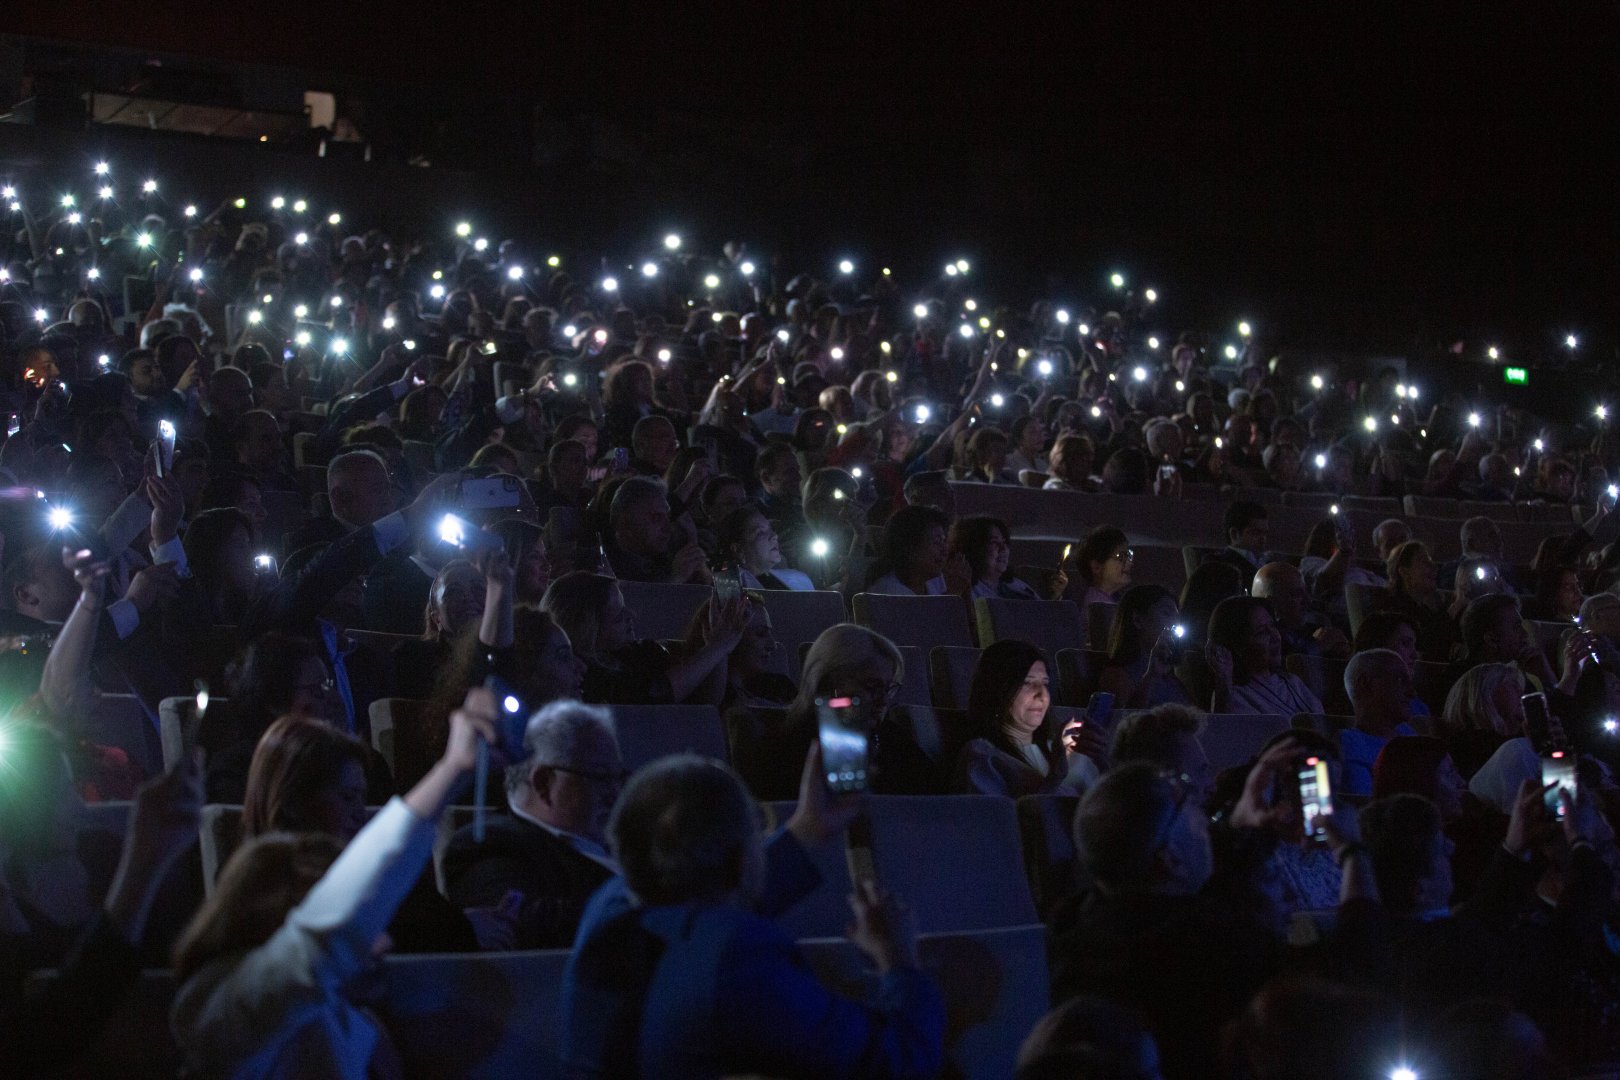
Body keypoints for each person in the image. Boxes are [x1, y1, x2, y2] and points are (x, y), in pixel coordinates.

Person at [170, 689, 504, 1079]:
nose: (381, 941)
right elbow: (325, 945)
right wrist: (451, 770)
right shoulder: (222, 1006)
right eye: (346, 797)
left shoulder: (353, 1025)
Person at [562, 754, 945, 1078]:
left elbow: (702, 899)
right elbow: (899, 1062)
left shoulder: (610, 906)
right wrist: (899, 961)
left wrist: (807, 827)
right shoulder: (740, 962)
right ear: (742, 862)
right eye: (756, 838)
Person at [1048, 746, 1377, 1079]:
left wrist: (1243, 824)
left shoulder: (1075, 922)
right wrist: (1352, 852)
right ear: (1170, 858)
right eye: (1190, 809)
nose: (1205, 820)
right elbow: (1354, 971)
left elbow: (1204, 874)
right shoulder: (1211, 945)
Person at [239, 714, 491, 952]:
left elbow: (432, 918)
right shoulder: (259, 890)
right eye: (346, 798)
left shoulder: (372, 869)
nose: (360, 814)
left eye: (361, 798)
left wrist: (469, 924)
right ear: (295, 802)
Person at [441, 700, 625, 949]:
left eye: (620, 778)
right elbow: (529, 924)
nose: (616, 794)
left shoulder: (632, 838)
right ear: (543, 783)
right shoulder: (491, 844)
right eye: (602, 777)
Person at [727, 622, 902, 800]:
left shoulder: (894, 737)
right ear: (829, 682)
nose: (884, 700)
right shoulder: (787, 748)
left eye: (888, 689)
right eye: (872, 686)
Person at [540, 571, 745, 707]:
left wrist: (718, 645)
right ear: (588, 627)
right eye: (619, 615)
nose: (631, 616)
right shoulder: (580, 677)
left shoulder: (639, 653)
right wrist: (718, 646)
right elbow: (657, 694)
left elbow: (706, 701)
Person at [954, 640, 1087, 797]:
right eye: (1027, 683)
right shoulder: (983, 756)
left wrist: (1102, 762)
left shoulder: (1057, 749)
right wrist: (1056, 775)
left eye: (1045, 683)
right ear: (998, 691)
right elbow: (998, 818)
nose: (1041, 695)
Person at [1206, 596, 1324, 714]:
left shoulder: (1292, 682)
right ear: (1238, 646)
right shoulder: (1233, 695)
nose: (1275, 637)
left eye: (1272, 626)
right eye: (1261, 632)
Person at [1336, 648, 1419, 795]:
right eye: (1400, 680)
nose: (1412, 692)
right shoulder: (1350, 743)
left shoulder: (1410, 734)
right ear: (1366, 684)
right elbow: (1367, 803)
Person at [1097, 584, 1194, 708]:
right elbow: (1125, 723)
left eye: (1177, 616)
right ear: (1137, 620)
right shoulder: (1116, 676)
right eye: (1167, 613)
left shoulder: (1171, 677)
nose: (1176, 622)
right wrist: (1151, 676)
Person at [1379, 539, 1461, 663]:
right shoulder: (1393, 611)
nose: (1434, 567)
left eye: (1431, 561)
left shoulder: (1428, 610)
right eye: (1424, 562)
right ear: (1404, 572)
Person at [1251, 561, 1351, 661]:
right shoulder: (1259, 641)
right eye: (1297, 594)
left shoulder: (1311, 630)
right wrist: (1317, 647)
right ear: (1272, 603)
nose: (1308, 601)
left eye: (1306, 592)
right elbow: (1281, 667)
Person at [949, 514, 1059, 600]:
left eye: (1005, 542)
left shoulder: (1017, 586)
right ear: (974, 547)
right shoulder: (965, 591)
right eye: (994, 543)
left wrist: (1054, 596)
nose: (1003, 549)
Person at [713, 504, 814, 590]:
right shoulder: (726, 588)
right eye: (760, 532)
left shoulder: (798, 579)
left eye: (770, 529)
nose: (774, 536)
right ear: (738, 549)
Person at [864, 504, 953, 595]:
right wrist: (953, 593)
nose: (945, 550)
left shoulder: (933, 582)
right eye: (937, 541)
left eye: (944, 540)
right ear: (910, 548)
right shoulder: (889, 593)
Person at [1071, 525, 1132, 618]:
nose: (1130, 563)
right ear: (1096, 567)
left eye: (1128, 555)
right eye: (1120, 556)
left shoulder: (1114, 601)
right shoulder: (1098, 611)